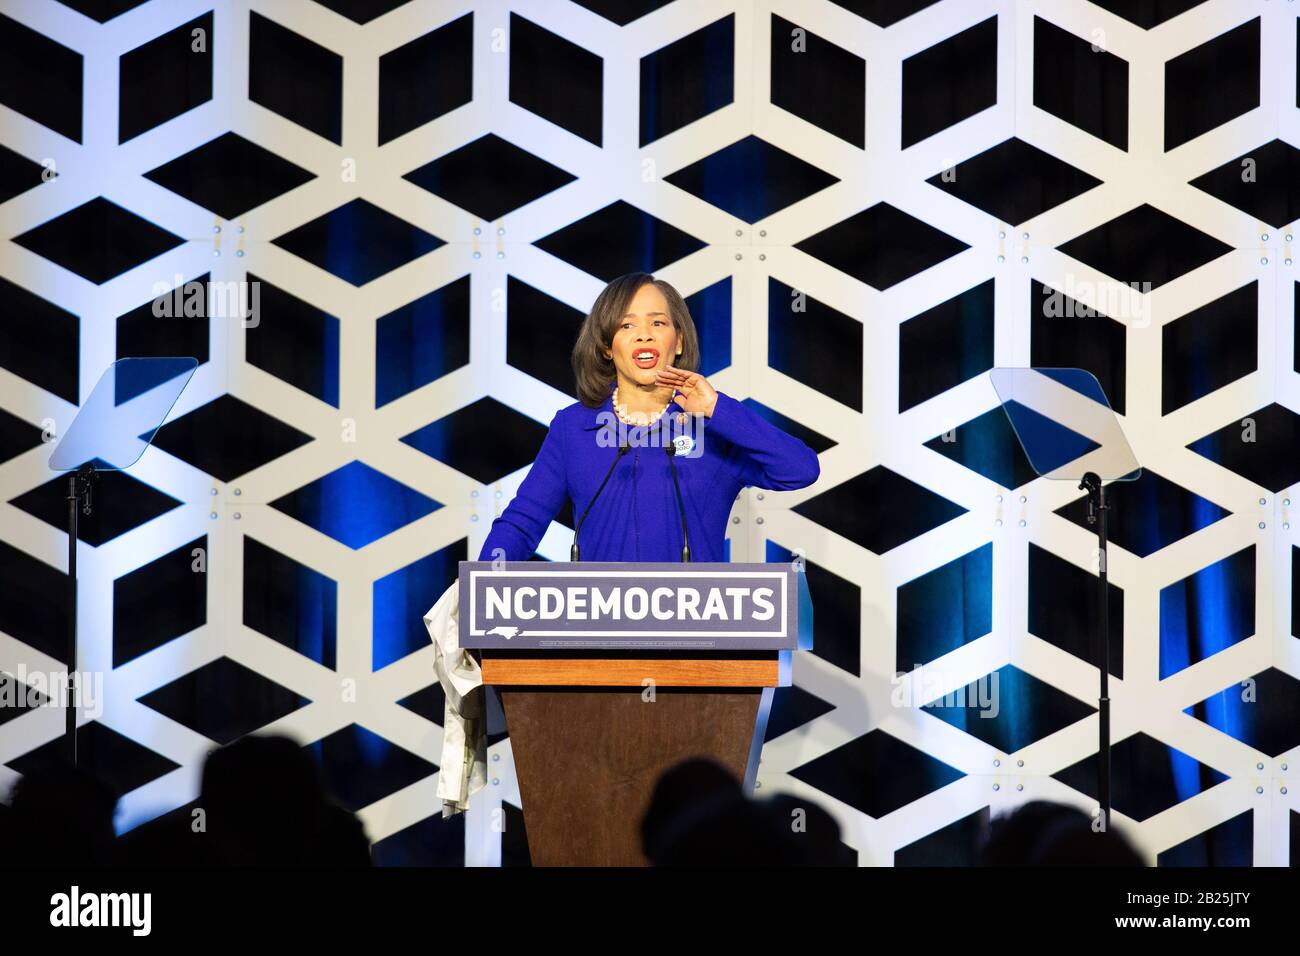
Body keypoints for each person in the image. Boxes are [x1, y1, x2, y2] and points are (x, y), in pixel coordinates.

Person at [480, 271, 821, 563]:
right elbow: (522, 523)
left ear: (679, 342)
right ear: (606, 347)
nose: (644, 334)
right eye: (627, 325)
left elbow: (800, 470)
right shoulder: (573, 428)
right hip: (597, 631)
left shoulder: (714, 428)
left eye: (658, 322)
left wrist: (719, 410)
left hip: (699, 632)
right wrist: (480, 588)